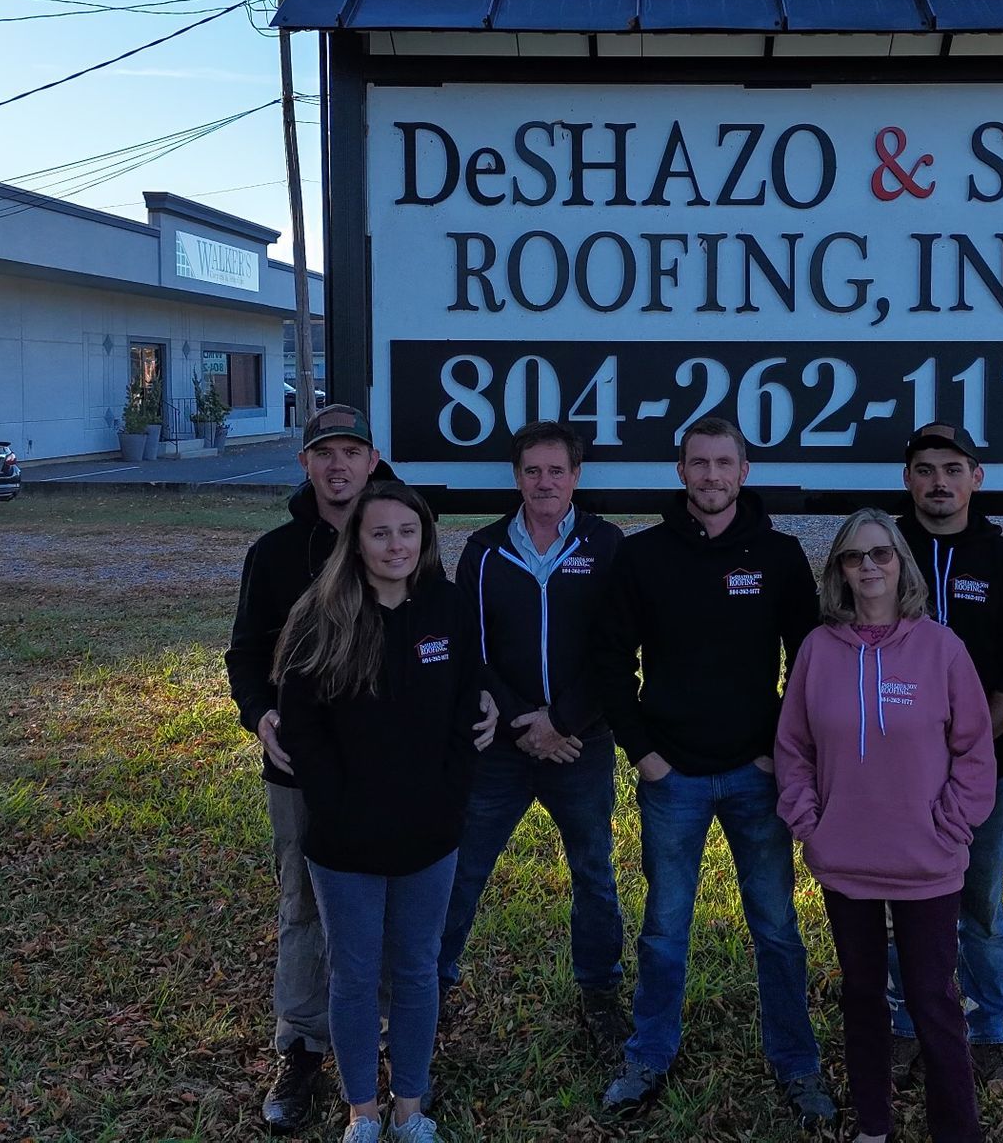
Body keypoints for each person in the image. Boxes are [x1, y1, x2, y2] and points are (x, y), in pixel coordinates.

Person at [595, 416, 836, 1128]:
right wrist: (644, 753)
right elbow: (609, 662)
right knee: (665, 926)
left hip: (756, 773)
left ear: (744, 471)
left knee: (776, 926)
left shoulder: (781, 555)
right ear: (680, 472)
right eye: (697, 463)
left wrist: (779, 750)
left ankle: (796, 1062)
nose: (710, 475)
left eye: (722, 462)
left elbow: (810, 661)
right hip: (673, 776)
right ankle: (648, 1054)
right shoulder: (643, 558)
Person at [273, 481, 496, 1143]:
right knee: (354, 973)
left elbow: (468, 707)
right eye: (380, 533)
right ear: (357, 542)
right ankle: (362, 1111)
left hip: (430, 830)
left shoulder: (448, 608)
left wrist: (451, 798)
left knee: (416, 969)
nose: (395, 544)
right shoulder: (324, 614)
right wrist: (336, 809)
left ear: (425, 539)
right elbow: (302, 729)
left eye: (408, 531)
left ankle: (410, 1106)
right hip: (345, 838)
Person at [776, 508, 1000, 1143]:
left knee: (934, 1002)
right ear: (839, 571)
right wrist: (808, 821)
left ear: (901, 564)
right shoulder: (819, 650)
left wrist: (952, 824)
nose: (868, 567)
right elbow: (793, 747)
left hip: (926, 860)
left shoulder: (941, 648)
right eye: (854, 557)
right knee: (863, 997)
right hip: (844, 858)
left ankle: (957, 1131)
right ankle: (873, 1125)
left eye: (881, 554)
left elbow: (975, 749)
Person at [226, 403, 398, 1133]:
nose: (339, 465)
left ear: (371, 461)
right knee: (302, 903)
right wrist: (260, 716)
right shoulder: (273, 553)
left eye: (352, 452)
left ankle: (388, 1040)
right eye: (325, 453)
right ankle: (300, 1047)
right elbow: (244, 655)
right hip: (298, 767)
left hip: (386, 767)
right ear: (306, 465)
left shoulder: (398, 540)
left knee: (385, 904)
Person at [438, 420, 630, 1056]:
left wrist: (563, 722)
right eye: (532, 471)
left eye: (557, 471)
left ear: (577, 477)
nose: (544, 482)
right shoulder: (485, 550)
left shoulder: (607, 545)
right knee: (462, 871)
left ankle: (601, 997)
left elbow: (617, 653)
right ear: (515, 477)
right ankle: (430, 991)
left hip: (581, 744)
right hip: (500, 746)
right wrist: (527, 724)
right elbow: (471, 652)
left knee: (595, 873)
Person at [889, 422, 1003, 1094]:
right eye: (925, 469)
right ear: (909, 481)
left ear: (975, 478)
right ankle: (903, 1028)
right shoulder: (883, 554)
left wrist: (975, 737)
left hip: (980, 766)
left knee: (978, 903)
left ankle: (987, 1035)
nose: (939, 482)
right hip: (892, 770)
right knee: (902, 902)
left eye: (953, 468)